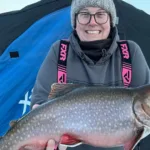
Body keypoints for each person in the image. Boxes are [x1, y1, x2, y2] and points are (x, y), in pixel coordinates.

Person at [31, 0, 150, 150]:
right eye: (84, 14)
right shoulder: (59, 52)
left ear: (111, 20)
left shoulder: (130, 52)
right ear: (75, 21)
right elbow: (40, 101)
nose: (92, 22)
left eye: (100, 14)